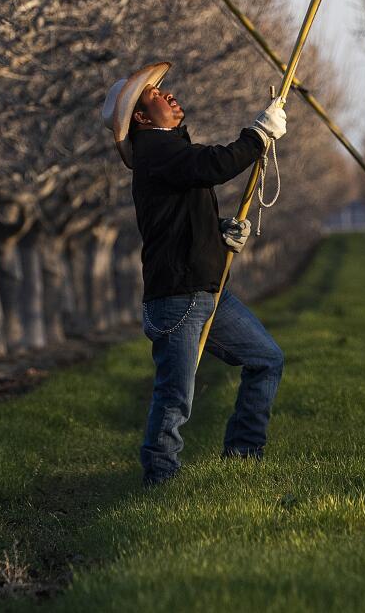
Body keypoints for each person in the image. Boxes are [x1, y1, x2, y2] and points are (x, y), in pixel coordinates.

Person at [101, 60, 288, 485]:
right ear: (143, 119)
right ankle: (160, 478)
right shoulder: (157, 151)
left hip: (206, 290)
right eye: (153, 95)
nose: (166, 95)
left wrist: (221, 236)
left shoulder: (169, 153)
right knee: (175, 397)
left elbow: (182, 220)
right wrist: (257, 135)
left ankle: (243, 457)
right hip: (180, 298)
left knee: (266, 360)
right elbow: (214, 166)